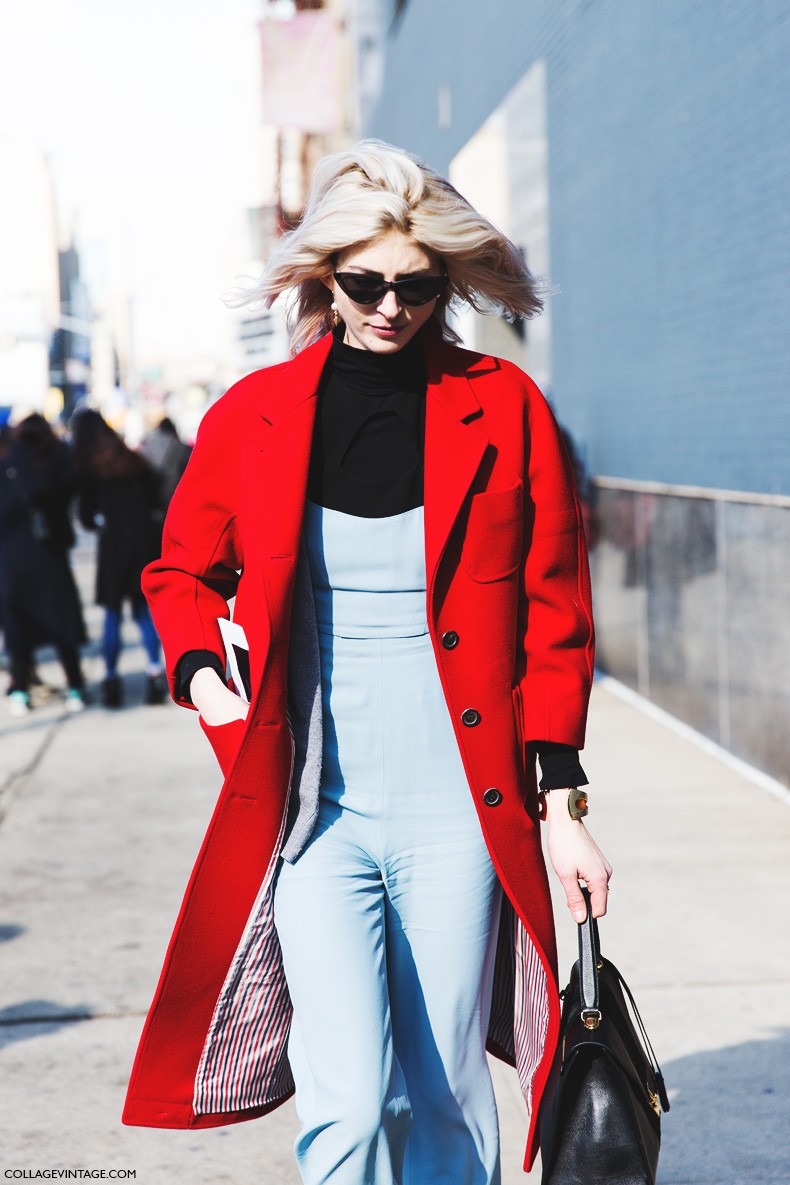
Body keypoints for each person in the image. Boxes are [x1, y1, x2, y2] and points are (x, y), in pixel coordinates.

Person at [123, 141, 612, 1183]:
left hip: (458, 810)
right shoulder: (253, 416)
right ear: (324, 277)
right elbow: (178, 570)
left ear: (446, 283)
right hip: (312, 813)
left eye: (417, 287)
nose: (390, 307)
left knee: (441, 1094)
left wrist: (563, 808)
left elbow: (553, 611)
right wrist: (208, 679)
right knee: (343, 1102)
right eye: (364, 284)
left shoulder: (505, 407)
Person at [71, 410, 167, 708]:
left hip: (113, 548)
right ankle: (155, 674)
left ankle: (111, 678)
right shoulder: (133, 461)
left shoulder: (89, 470)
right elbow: (157, 500)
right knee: (143, 613)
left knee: (112, 615)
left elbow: (85, 517)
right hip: (143, 545)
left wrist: (101, 523)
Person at [0, 413, 88, 714]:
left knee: (18, 628)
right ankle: (76, 687)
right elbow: (72, 501)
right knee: (62, 624)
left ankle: (20, 692)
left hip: (13, 559)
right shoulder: (57, 459)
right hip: (50, 555)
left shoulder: (8, 465)